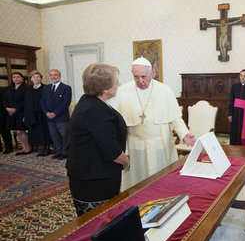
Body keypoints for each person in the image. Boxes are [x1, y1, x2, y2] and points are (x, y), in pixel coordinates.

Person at [110, 57, 195, 190]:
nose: (140, 81)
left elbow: (176, 118)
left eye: (143, 76)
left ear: (152, 73)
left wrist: (184, 134)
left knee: (162, 184)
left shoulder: (165, 90)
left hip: (161, 147)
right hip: (136, 148)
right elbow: (116, 123)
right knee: (137, 185)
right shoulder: (122, 91)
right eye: (136, 77)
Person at [67, 63, 129, 217]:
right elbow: (112, 151)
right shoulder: (95, 111)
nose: (118, 84)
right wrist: (126, 161)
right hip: (95, 178)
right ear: (105, 88)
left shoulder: (88, 101)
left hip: (90, 173)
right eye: (116, 81)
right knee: (98, 221)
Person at [41, 69, 72, 160]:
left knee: (64, 135)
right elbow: (43, 102)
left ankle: (66, 152)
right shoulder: (46, 88)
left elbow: (66, 102)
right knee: (54, 135)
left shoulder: (66, 88)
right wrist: (46, 112)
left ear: (59, 76)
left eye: (55, 75)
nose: (53, 77)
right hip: (49, 117)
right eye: (51, 75)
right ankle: (59, 151)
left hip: (61, 117)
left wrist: (55, 113)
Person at [24, 70, 53, 156]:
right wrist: (25, 115)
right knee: (36, 131)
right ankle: (42, 147)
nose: (36, 78)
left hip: (43, 113)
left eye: (38, 77)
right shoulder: (28, 89)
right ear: (31, 79)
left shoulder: (46, 87)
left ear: (40, 78)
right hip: (32, 114)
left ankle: (47, 148)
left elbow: (49, 101)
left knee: (44, 130)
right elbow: (26, 103)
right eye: (34, 77)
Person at [4, 72, 31, 155]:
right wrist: (7, 108)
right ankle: (23, 148)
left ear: (22, 78)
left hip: (21, 112)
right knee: (16, 131)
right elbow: (4, 100)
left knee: (20, 131)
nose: (16, 79)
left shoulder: (26, 88)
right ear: (12, 79)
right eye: (14, 77)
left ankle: (28, 148)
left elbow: (26, 101)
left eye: (18, 77)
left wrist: (15, 109)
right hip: (11, 113)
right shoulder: (9, 88)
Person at [0, 86, 13, 154]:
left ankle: (9, 147)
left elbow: (5, 101)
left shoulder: (3, 89)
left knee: (4, 130)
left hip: (2, 112)